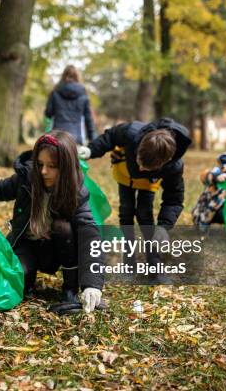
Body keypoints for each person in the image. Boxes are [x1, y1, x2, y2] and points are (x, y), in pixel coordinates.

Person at [0, 131, 105, 313]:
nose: (44, 171)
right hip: (28, 244)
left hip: (59, 248)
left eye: (52, 166)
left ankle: (70, 288)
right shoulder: (28, 178)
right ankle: (27, 281)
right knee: (17, 278)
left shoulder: (76, 191)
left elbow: (90, 236)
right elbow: (0, 189)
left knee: (64, 228)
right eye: (39, 164)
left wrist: (92, 284)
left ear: (66, 167)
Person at [78, 118, 191, 281]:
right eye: (139, 162)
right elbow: (110, 137)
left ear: (164, 162)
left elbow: (174, 199)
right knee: (126, 214)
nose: (140, 168)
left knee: (145, 215)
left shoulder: (174, 167)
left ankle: (155, 267)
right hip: (125, 176)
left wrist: (164, 227)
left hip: (148, 183)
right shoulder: (131, 132)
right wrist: (90, 150)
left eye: (146, 167)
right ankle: (128, 265)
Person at [44, 65, 98, 145]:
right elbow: (88, 119)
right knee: (76, 157)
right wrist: (93, 140)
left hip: (57, 138)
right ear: (77, 77)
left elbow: (48, 113)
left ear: (63, 76)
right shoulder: (83, 94)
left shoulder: (55, 92)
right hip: (76, 138)